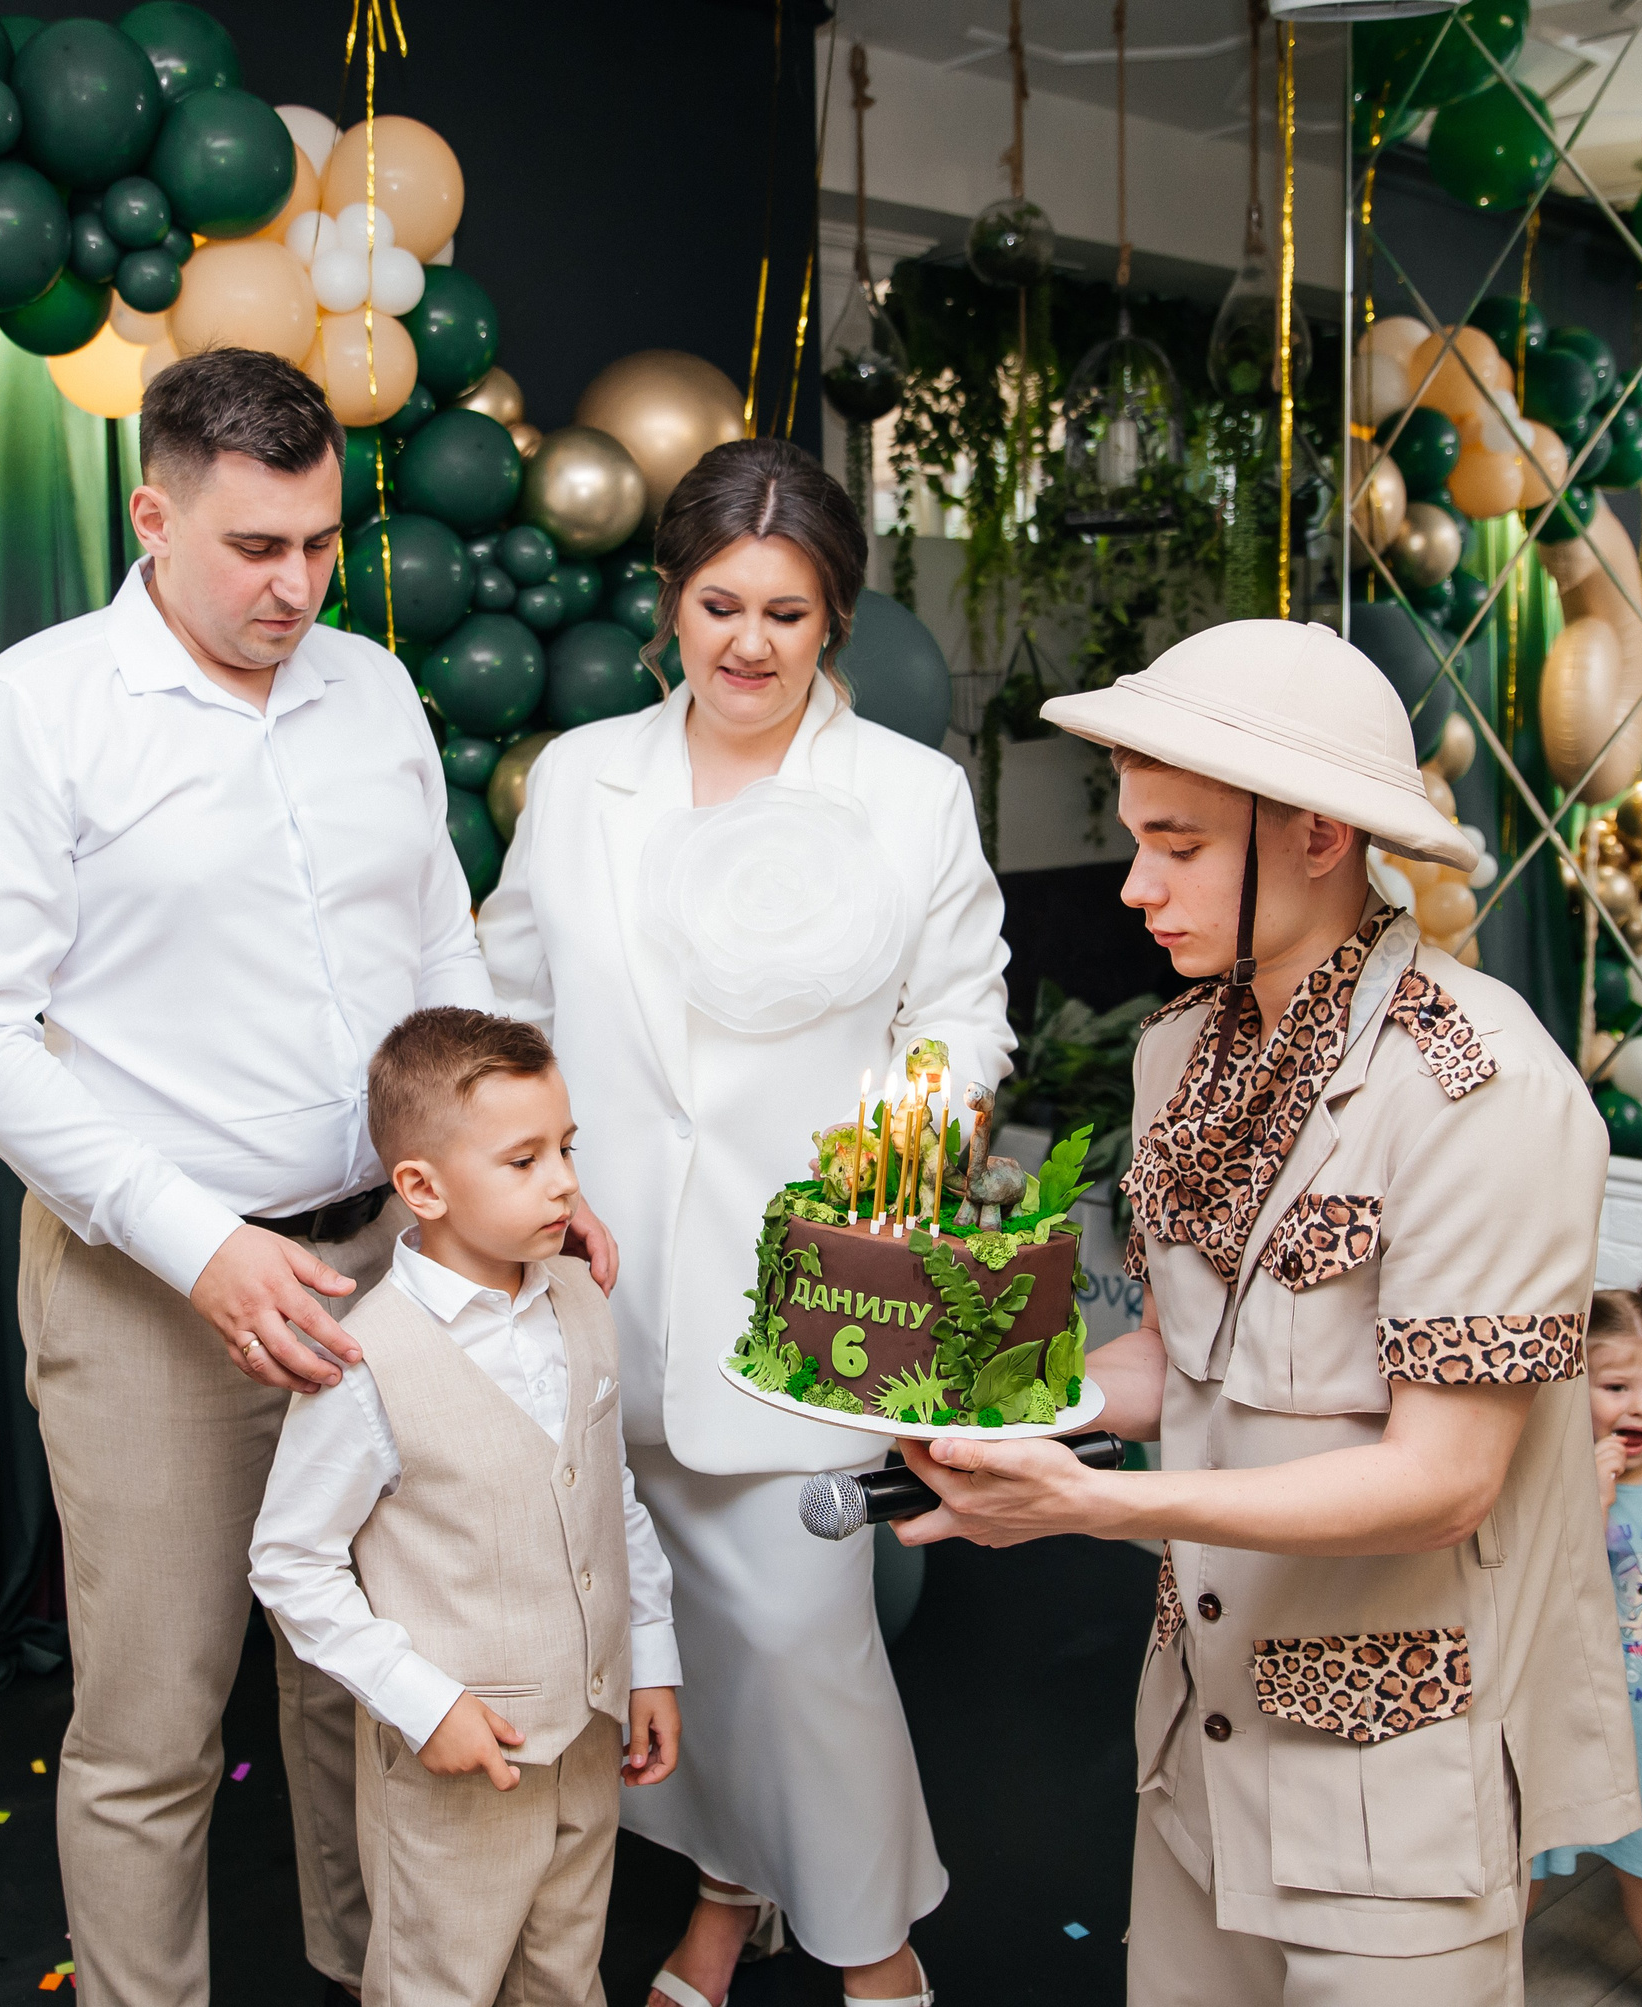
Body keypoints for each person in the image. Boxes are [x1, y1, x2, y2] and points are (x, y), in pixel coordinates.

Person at [0, 348, 614, 2007]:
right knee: (156, 1715)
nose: (295, 585)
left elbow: (438, 938)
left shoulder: (368, 688)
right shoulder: (30, 714)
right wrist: (199, 1242)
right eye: (252, 549)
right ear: (150, 515)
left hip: (397, 1258)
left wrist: (516, 1169)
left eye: (316, 545)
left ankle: (375, 1977)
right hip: (156, 1290)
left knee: (366, 1679)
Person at [899, 619, 1638, 2004]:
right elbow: (1183, 1353)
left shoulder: (1484, 1088)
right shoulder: (1179, 1049)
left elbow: (1443, 1482)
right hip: (1197, 1738)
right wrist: (998, 1396)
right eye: (1138, 837)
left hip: (1393, 1788)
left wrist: (1090, 1506)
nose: (1133, 885)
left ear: (1314, 836)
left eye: (1179, 846)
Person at [481, 437, 1010, 2007]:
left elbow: (963, 1022)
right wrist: (534, 1186)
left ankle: (878, 1951)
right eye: (719, 603)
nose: (750, 643)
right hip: (602, 1273)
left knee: (802, 1641)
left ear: (834, 616)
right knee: (661, 1636)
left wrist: (882, 1194)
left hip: (815, 1283)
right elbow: (509, 997)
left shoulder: (911, 796)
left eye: (788, 609)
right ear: (671, 602)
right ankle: (722, 1896)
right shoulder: (585, 776)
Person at [249, 1006, 682, 2004]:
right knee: (438, 1984)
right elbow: (289, 1560)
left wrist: (649, 1658)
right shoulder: (367, 1362)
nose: (565, 1182)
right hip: (455, 1764)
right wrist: (421, 1701)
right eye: (523, 1159)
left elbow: (606, 1493)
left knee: (564, 1974)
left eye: (565, 1149)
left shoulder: (578, 1298)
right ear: (422, 1188)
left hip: (585, 1737)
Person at [1530, 1284, 1642, 1959]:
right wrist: (1594, 1500)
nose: (1640, 1404)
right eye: (1616, 1385)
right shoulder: (1551, 1479)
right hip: (1555, 1714)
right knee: (1521, 1870)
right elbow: (1554, 1585)